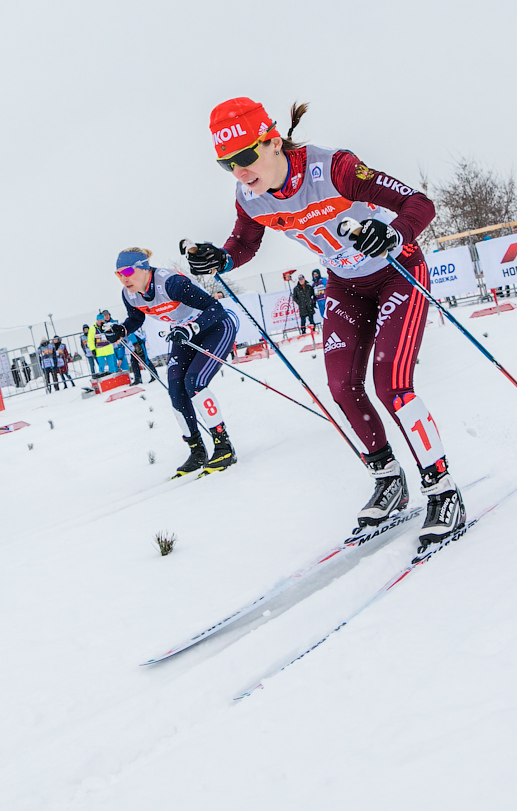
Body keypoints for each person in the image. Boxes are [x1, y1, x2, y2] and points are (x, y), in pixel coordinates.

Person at [182, 98, 464, 545]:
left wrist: (394, 233)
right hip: (345, 285)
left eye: (245, 157)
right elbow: (244, 241)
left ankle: (442, 488)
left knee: (392, 385)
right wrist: (222, 258)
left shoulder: (334, 169)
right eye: (226, 164)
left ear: (273, 141)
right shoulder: (249, 195)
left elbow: (418, 203)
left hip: (397, 274)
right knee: (340, 387)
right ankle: (389, 479)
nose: (239, 171)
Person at [113, 247, 237, 475]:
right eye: (118, 274)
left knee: (194, 383)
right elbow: (136, 318)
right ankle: (197, 451)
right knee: (176, 390)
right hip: (184, 333)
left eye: (128, 271)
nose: (124, 278)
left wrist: (193, 328)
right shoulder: (129, 294)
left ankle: (224, 447)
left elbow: (216, 309)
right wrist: (121, 329)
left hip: (215, 328)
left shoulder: (171, 284)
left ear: (144, 267)